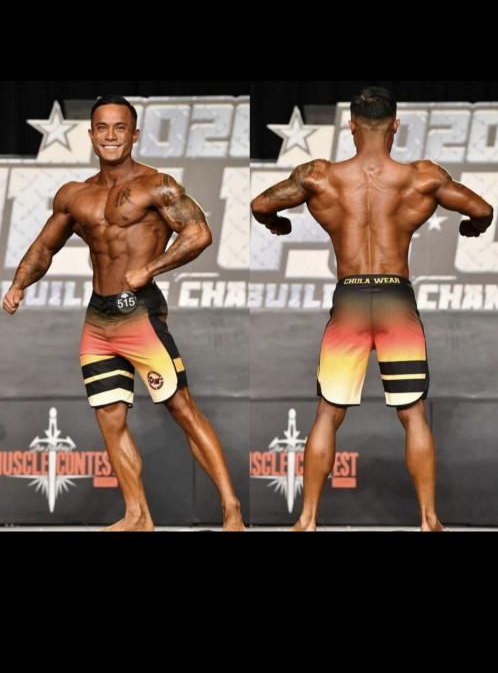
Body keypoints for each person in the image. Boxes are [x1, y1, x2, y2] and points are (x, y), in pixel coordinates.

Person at [251, 86, 494, 532]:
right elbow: (482, 209)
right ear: (395, 125)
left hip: (349, 300)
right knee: (412, 413)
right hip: (395, 300)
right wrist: (472, 229)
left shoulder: (319, 176)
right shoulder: (422, 177)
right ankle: (429, 520)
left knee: (328, 413)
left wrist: (278, 222)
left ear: (351, 126)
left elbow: (260, 204)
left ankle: (306, 520)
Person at [2, 94, 245, 532]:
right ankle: (137, 514)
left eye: (119, 128)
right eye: (102, 127)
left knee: (183, 410)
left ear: (134, 135)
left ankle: (231, 509)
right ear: (91, 134)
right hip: (98, 320)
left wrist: (150, 269)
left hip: (140, 314)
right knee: (110, 419)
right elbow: (44, 248)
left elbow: (199, 233)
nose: (110, 136)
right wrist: (19, 284)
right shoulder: (74, 195)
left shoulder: (157, 185)